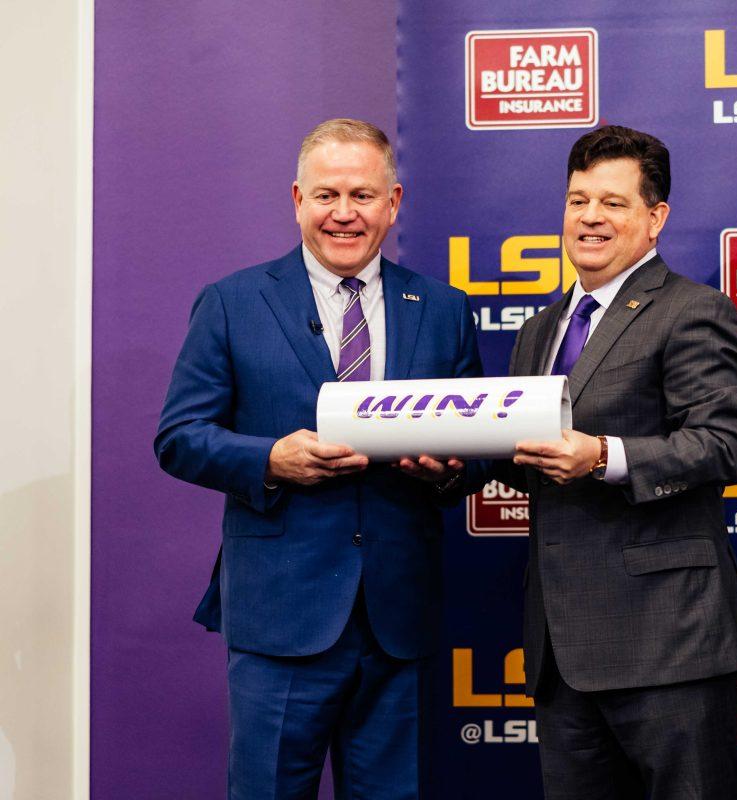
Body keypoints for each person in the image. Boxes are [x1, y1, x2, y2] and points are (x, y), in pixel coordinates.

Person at [155, 118, 480, 799]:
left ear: (394, 202)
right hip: (283, 618)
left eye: (362, 195)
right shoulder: (232, 303)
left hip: (398, 618)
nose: (344, 213)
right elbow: (179, 435)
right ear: (298, 198)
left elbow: (476, 447)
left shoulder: (445, 309)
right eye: (327, 194)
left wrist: (449, 470)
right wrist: (271, 458)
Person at [500, 125, 737, 799]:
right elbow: (528, 458)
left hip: (668, 644)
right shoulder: (539, 330)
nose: (590, 218)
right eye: (577, 200)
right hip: (562, 653)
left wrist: (601, 457)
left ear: (655, 217)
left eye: (612, 203)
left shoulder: (693, 312)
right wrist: (447, 465)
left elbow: (721, 445)